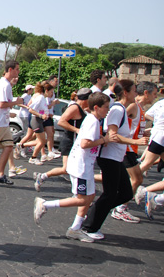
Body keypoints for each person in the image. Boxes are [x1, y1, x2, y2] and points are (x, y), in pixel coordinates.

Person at [33, 92, 111, 243]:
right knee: (82, 199)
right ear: (96, 107)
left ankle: (75, 228)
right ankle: (45, 204)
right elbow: (85, 144)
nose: (108, 110)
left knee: (89, 197)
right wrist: (103, 140)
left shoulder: (92, 119)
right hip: (81, 165)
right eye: (106, 107)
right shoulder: (93, 121)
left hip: (84, 164)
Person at [81, 80, 149, 239]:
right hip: (109, 157)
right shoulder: (118, 110)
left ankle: (93, 214)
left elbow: (121, 133)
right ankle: (89, 226)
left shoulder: (123, 110)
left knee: (125, 193)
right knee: (110, 194)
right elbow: (112, 135)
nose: (136, 94)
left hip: (117, 158)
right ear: (125, 92)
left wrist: (138, 136)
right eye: (133, 91)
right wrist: (135, 142)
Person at [111, 81, 158, 223]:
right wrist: (132, 140)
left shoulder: (140, 108)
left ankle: (118, 207)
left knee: (130, 179)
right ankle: (119, 208)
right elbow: (116, 124)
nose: (155, 97)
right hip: (127, 148)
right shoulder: (133, 106)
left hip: (132, 148)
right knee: (136, 179)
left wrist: (143, 135)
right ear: (146, 93)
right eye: (154, 94)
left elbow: (134, 128)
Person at [34, 88, 91, 191]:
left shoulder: (82, 108)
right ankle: (42, 176)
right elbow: (61, 122)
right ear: (85, 99)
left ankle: (79, 192)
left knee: (75, 169)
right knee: (67, 169)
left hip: (76, 143)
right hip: (69, 142)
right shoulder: (74, 108)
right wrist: (76, 130)